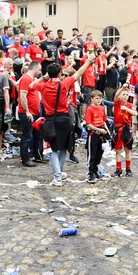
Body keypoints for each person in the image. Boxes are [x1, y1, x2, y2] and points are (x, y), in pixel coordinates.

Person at [31, 52, 95, 186]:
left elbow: (32, 85)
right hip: (65, 118)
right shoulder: (64, 84)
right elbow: (79, 73)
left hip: (50, 120)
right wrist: (88, 61)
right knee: (63, 148)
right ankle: (59, 173)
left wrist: (45, 77)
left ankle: (58, 176)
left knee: (53, 149)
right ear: (60, 74)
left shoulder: (43, 85)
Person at [18, 61, 42, 167]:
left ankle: (36, 155)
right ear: (35, 68)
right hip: (28, 112)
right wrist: (27, 111)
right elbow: (22, 96)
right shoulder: (26, 78)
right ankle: (25, 158)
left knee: (35, 135)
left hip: (34, 111)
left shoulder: (31, 79)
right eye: (39, 69)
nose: (40, 71)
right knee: (27, 136)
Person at [112, 85, 137, 177]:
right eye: (123, 94)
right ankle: (118, 169)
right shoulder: (117, 103)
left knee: (128, 149)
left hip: (127, 129)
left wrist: (126, 109)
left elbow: (135, 113)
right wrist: (122, 88)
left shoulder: (129, 105)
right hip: (118, 128)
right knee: (118, 150)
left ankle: (128, 168)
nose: (125, 96)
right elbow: (115, 96)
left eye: (127, 94)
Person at [84, 90, 108, 183]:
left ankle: (95, 169)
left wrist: (107, 132)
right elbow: (88, 124)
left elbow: (103, 120)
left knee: (99, 152)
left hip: (102, 133)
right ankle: (90, 172)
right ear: (92, 99)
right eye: (97, 98)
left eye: (100, 98)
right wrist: (98, 130)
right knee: (92, 153)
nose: (99, 100)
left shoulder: (102, 108)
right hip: (93, 133)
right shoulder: (89, 109)